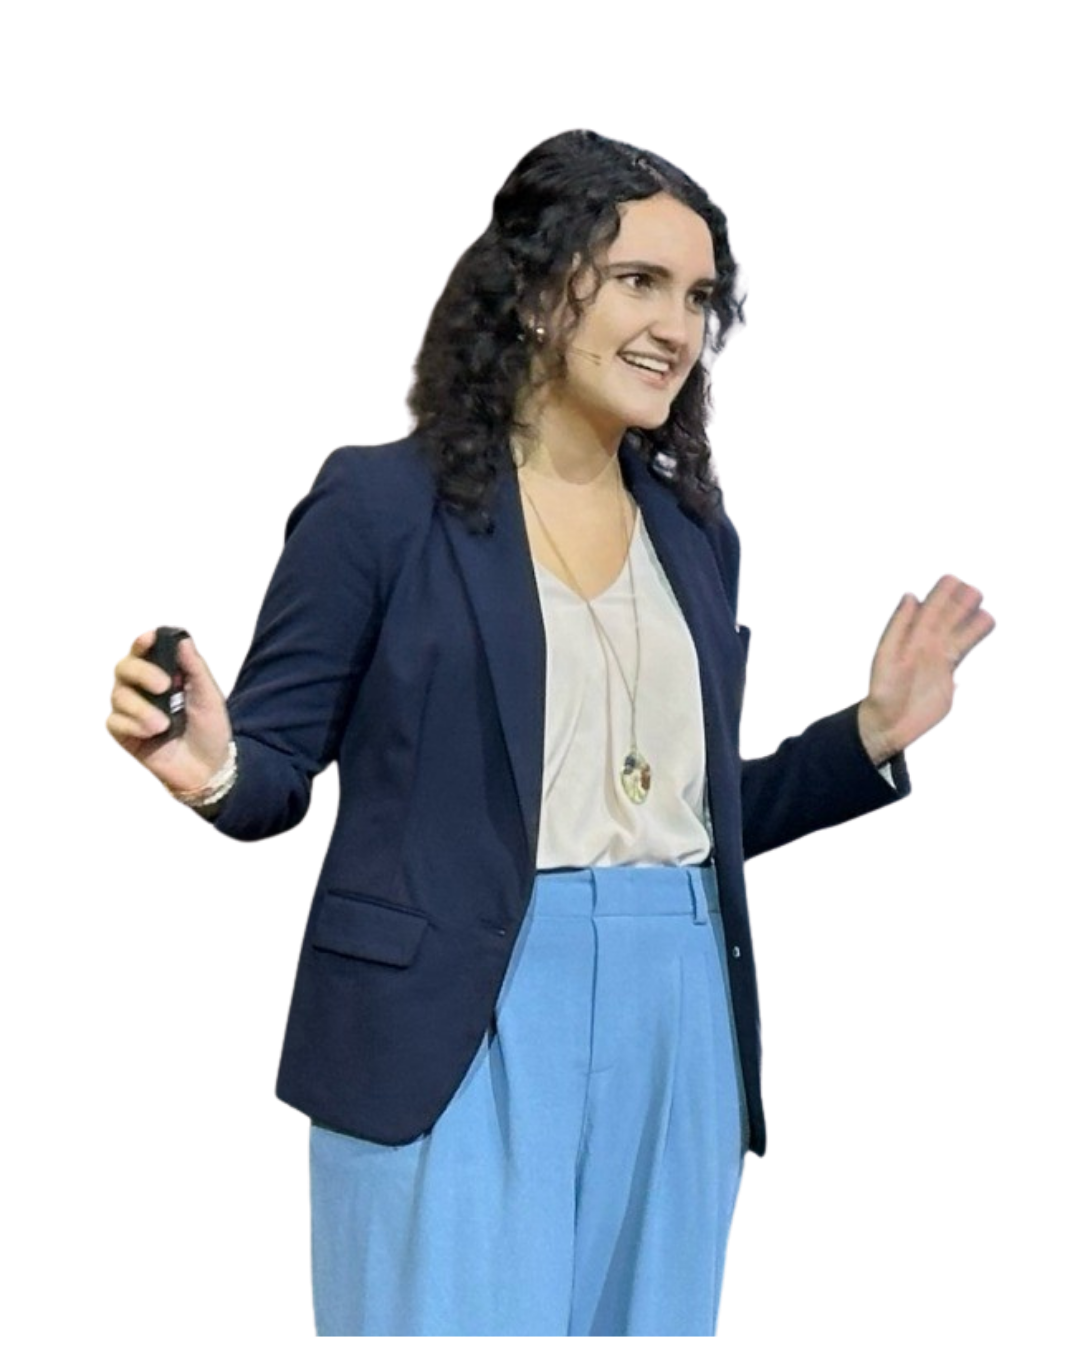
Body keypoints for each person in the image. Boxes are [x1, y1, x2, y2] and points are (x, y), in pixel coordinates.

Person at [105, 129, 918, 1336]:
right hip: (455, 1007)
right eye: (640, 281)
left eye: (698, 297)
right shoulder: (381, 502)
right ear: (539, 290)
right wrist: (212, 768)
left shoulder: (697, 535)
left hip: (680, 1007)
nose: (677, 326)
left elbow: (693, 814)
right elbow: (275, 771)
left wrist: (866, 737)